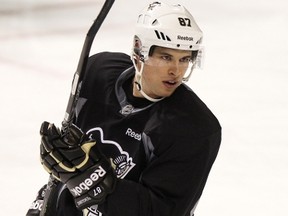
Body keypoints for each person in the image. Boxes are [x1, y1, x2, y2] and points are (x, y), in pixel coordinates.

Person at [26, 1, 221, 216]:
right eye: (166, 57)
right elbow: (65, 167)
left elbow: (160, 211)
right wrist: (43, 205)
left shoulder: (192, 127)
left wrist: (91, 179)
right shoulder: (96, 75)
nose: (176, 70)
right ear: (140, 50)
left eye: (184, 59)